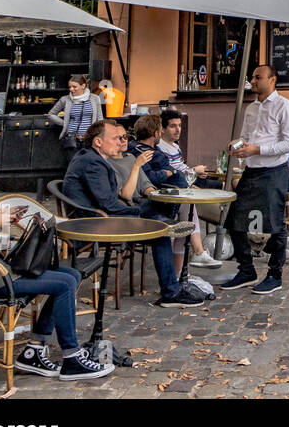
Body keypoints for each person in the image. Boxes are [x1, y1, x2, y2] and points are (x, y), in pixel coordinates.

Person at [0, 134, 112, 380]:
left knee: (72, 274)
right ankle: (71, 357)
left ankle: (34, 350)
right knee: (64, 283)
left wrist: (3, 222)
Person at [62, 120, 206, 307]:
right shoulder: (92, 163)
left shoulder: (92, 159)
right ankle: (171, 291)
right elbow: (109, 205)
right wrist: (138, 212)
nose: (120, 142)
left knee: (158, 224)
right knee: (159, 230)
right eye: (114, 138)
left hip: (99, 218)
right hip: (93, 224)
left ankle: (166, 225)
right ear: (98, 142)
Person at [219, 64, 289, 295]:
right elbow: (246, 138)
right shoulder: (252, 108)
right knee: (234, 219)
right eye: (252, 77)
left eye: (258, 77)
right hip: (251, 171)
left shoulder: (286, 107)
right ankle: (246, 270)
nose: (253, 81)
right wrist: (237, 146)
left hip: (273, 171)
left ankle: (275, 275)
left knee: (275, 224)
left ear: (272, 80)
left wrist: (257, 150)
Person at [129, 113, 220, 269]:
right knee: (187, 211)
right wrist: (171, 173)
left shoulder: (141, 149)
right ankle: (196, 254)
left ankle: (188, 264)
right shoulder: (148, 152)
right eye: (171, 126)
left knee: (187, 214)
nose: (178, 129)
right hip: (158, 202)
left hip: (171, 194)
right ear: (157, 133)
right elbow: (150, 176)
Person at [48, 75, 102, 167]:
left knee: (90, 166)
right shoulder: (65, 99)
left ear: (83, 86)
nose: (71, 89)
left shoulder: (94, 98)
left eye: (74, 86)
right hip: (72, 139)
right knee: (73, 167)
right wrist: (65, 124)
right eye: (70, 87)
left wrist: (99, 135)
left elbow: (100, 119)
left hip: (89, 140)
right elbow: (51, 114)